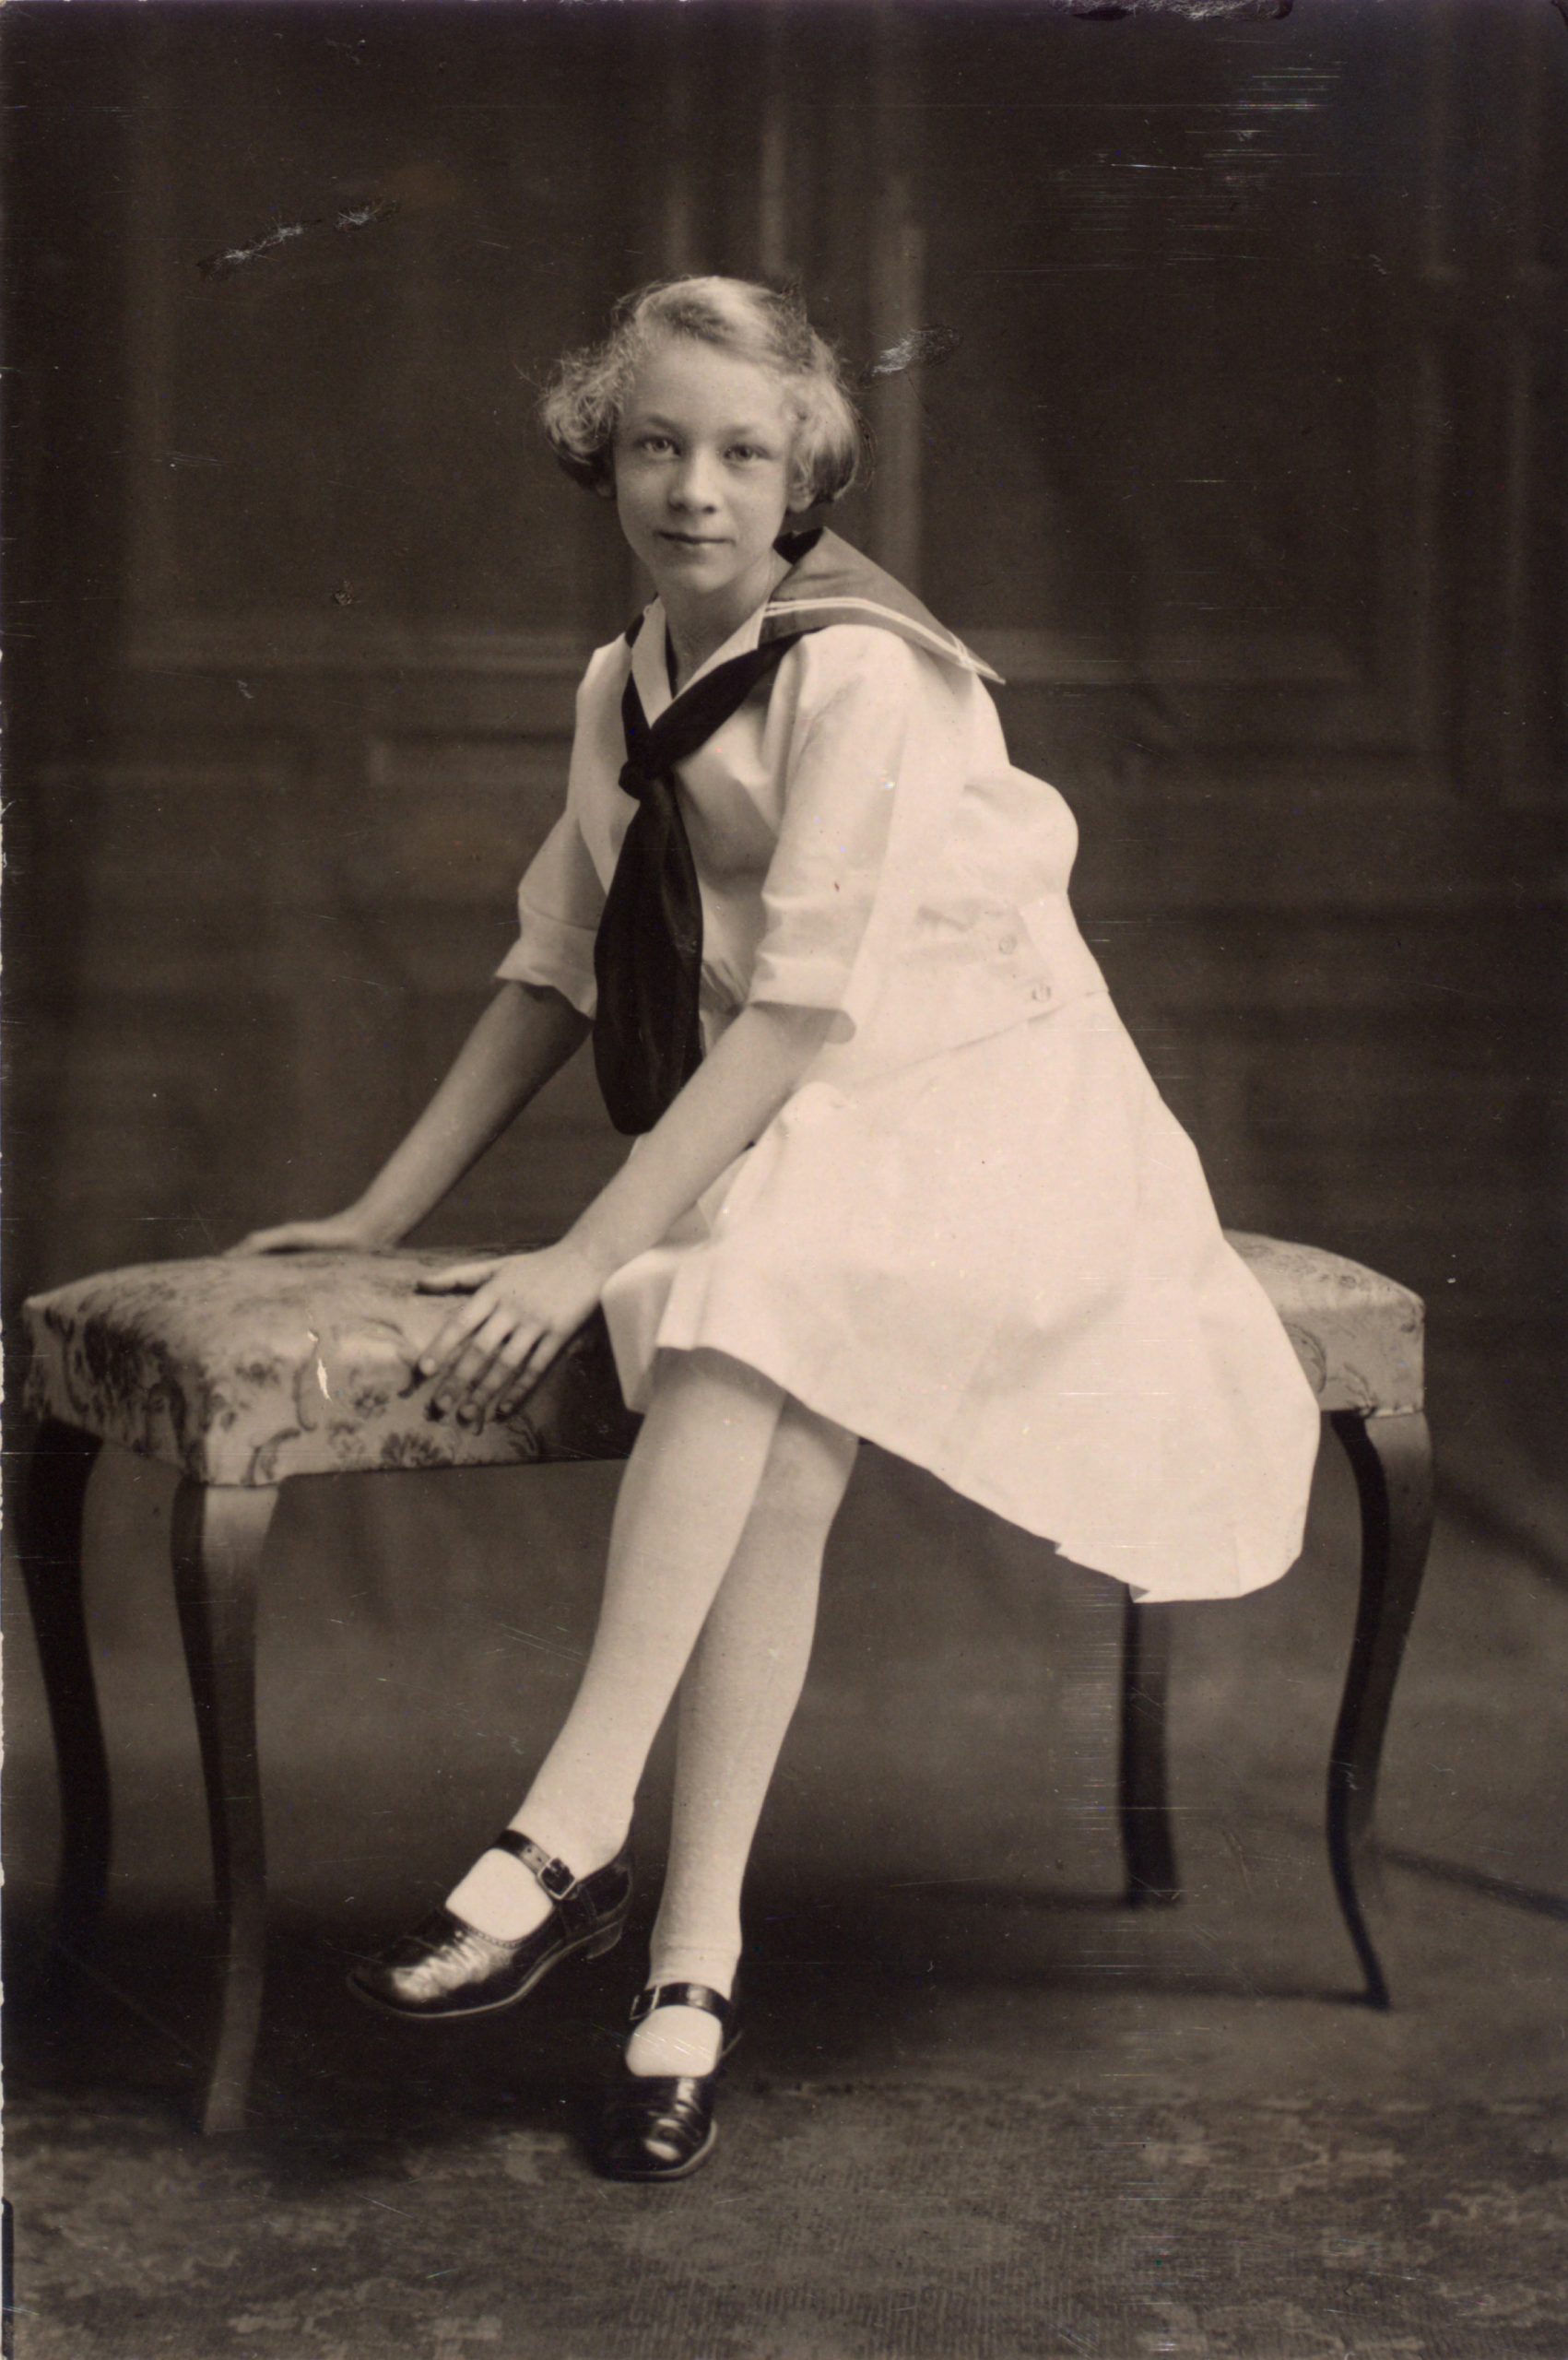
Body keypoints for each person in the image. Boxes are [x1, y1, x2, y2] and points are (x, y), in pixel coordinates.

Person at [237, 276, 1321, 2181]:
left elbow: (811, 1006)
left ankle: (559, 1834)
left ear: (804, 474)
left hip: (996, 1099)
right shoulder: (615, 682)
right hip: (825, 1121)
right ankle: (686, 1978)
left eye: (744, 451)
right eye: (656, 442)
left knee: (746, 1281)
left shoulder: (860, 670)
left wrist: (581, 1250)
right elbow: (554, 969)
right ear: (604, 455)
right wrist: (373, 1205)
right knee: (774, 1378)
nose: (696, 487)